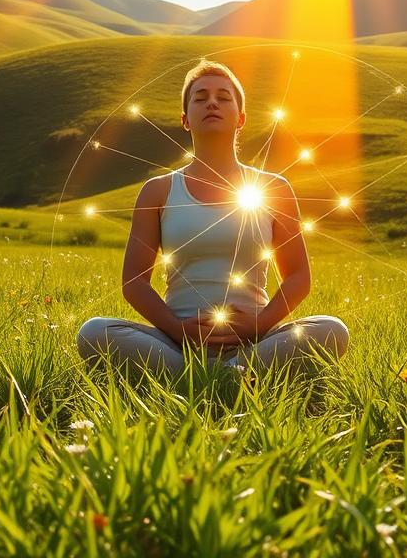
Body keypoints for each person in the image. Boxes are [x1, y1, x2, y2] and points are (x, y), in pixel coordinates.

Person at [76, 59, 349, 375]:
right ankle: (226, 377)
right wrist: (178, 331)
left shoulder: (272, 188)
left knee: (331, 330)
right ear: (186, 119)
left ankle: (208, 376)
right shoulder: (158, 191)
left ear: (241, 117)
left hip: (255, 342)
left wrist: (259, 325)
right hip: (176, 342)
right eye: (200, 97)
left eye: (223, 97)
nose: (212, 103)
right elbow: (134, 283)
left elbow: (298, 275)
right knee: (93, 332)